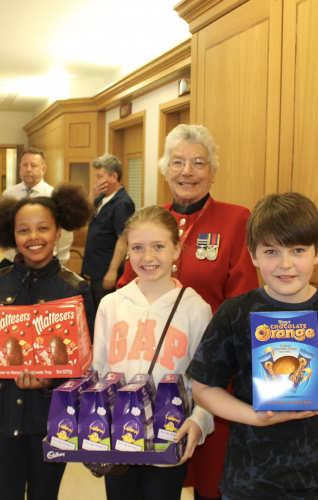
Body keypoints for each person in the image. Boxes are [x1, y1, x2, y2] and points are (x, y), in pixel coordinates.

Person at [117, 124, 259, 500]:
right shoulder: (151, 219)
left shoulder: (235, 220)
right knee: (150, 477)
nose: (188, 171)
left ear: (212, 171)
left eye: (199, 162)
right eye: (178, 162)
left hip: (212, 373)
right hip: (151, 368)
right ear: (165, 170)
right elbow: (124, 291)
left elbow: (242, 301)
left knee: (208, 478)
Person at [0, 183, 95, 500]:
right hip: (0, 416)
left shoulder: (75, 289)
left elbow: (88, 363)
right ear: (11, 235)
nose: (33, 237)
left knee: (44, 495)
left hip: (52, 420)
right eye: (23, 230)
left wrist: (51, 380)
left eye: (43, 228)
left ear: (59, 232)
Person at [187, 192, 318, 500]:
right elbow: (203, 388)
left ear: (316, 252)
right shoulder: (235, 312)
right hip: (251, 479)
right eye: (271, 251)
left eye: (298, 250)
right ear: (253, 254)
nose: (285, 264)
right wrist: (253, 416)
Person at [93, 205, 214, 500]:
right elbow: (97, 371)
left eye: (158, 246)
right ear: (128, 252)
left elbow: (208, 382)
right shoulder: (111, 305)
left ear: (176, 250)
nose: (147, 257)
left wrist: (199, 420)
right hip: (117, 436)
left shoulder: (195, 309)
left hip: (168, 435)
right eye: (137, 248)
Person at [0, 147, 73, 268]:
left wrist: (59, 261)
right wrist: (12, 258)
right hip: (15, 263)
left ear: (43, 169)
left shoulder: (54, 196)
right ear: (20, 167)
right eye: (25, 165)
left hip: (47, 263)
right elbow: (5, 230)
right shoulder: (9, 195)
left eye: (33, 165)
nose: (28, 169)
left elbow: (65, 234)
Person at [82, 154, 135, 310]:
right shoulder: (101, 198)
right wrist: (93, 195)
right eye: (95, 176)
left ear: (114, 176)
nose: (95, 180)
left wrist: (112, 272)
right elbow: (82, 215)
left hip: (106, 270)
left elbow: (123, 238)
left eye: (99, 176)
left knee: (105, 313)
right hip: (94, 267)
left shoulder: (123, 203)